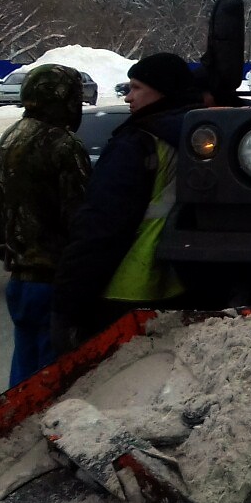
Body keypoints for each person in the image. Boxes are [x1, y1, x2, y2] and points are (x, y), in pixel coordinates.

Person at [53, 52, 197, 350]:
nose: (128, 97)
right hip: (180, 282)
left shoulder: (137, 143)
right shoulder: (201, 137)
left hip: (126, 288)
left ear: (163, 90)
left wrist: (69, 304)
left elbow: (100, 225)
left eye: (136, 88)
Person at [0, 65, 92, 386]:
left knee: (21, 377)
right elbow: (80, 220)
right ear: (63, 99)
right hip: (51, 281)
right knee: (50, 383)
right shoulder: (63, 144)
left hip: (18, 279)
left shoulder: (10, 137)